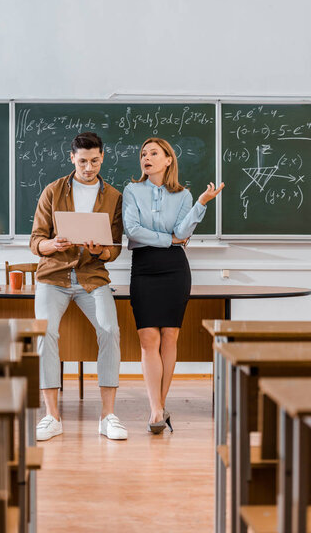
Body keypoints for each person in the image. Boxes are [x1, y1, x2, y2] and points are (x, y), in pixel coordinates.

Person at [122, 137, 224, 434]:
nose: (146, 158)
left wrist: (201, 204)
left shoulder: (184, 195)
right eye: (143, 153)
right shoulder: (132, 190)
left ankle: (157, 408)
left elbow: (183, 230)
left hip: (174, 270)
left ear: (168, 160)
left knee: (169, 338)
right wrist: (168, 240)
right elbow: (133, 231)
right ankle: (158, 409)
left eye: (153, 153)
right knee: (147, 339)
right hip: (144, 267)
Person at [31, 131, 128, 441]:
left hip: (92, 277)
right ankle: (52, 416)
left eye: (95, 161)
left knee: (110, 330)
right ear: (72, 158)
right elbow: (35, 241)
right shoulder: (53, 191)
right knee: (45, 332)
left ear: (103, 158)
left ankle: (108, 416)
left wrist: (100, 250)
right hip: (54, 276)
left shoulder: (113, 196)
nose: (89, 168)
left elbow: (115, 248)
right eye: (83, 161)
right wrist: (52, 244)